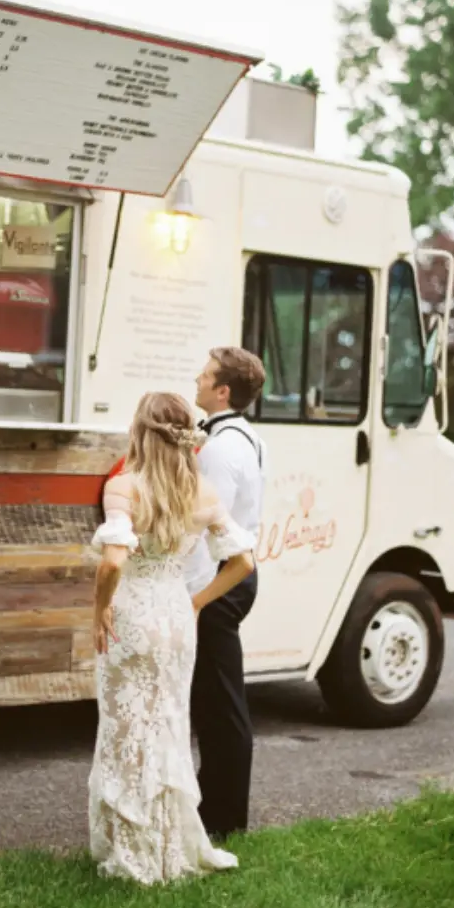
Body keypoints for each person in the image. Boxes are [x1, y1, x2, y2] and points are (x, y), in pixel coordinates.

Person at [89, 391, 256, 885]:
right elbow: (243, 563)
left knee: (125, 729)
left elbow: (113, 562)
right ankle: (167, 846)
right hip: (176, 614)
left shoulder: (124, 487)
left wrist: (100, 608)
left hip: (132, 615)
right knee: (169, 726)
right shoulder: (202, 493)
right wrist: (198, 602)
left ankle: (132, 849)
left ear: (141, 432)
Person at [186, 347, 267, 841]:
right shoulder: (248, 437)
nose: (196, 379)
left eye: (205, 375)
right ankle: (216, 805)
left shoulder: (219, 449)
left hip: (221, 578)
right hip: (234, 575)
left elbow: (205, 528)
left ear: (222, 391)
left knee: (219, 704)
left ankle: (223, 816)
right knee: (215, 700)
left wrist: (194, 598)